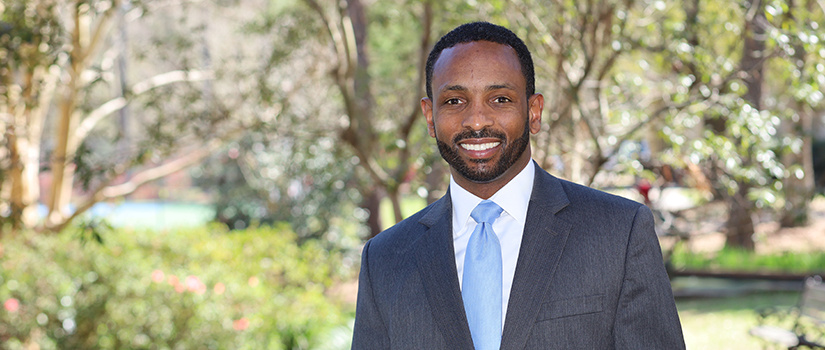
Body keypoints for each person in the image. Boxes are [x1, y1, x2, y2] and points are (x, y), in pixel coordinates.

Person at [351, 21, 685, 349]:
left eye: (500, 99)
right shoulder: (384, 260)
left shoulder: (618, 233)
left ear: (534, 112)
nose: (477, 120)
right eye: (455, 101)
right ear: (430, 117)